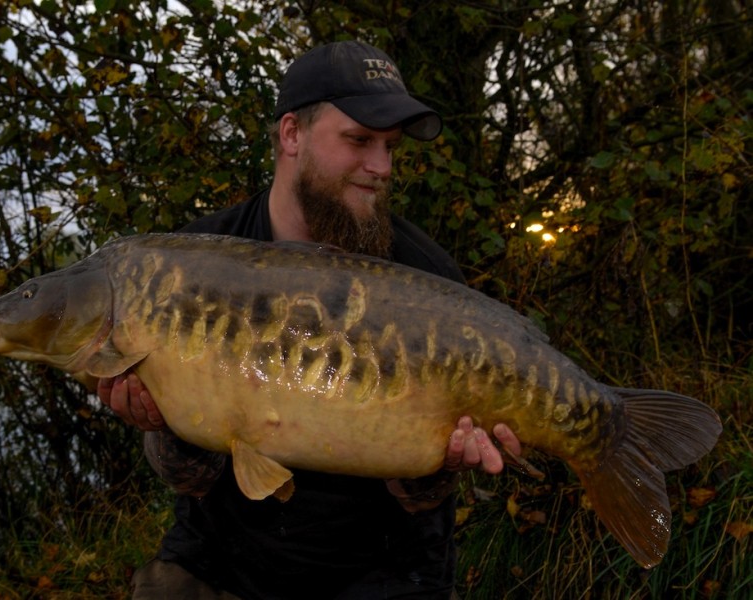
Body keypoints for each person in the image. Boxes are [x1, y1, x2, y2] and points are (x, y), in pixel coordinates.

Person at [98, 40, 521, 600]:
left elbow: (425, 501)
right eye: (359, 141)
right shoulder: (196, 262)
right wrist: (159, 420)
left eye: (390, 147)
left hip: (384, 569)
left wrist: (443, 462)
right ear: (292, 134)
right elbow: (185, 479)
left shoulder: (426, 279)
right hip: (224, 558)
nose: (381, 167)